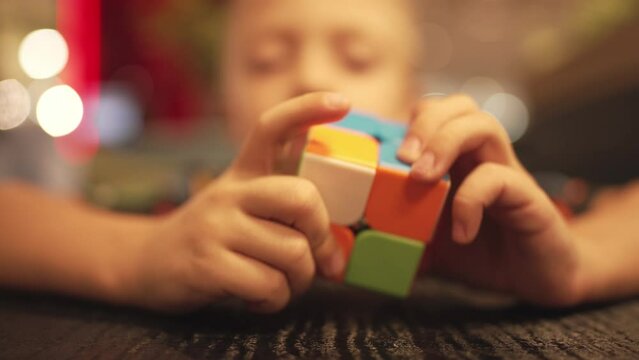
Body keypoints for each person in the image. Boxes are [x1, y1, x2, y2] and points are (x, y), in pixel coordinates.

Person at [1, 0, 639, 313]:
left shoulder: (471, 210)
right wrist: (136, 255)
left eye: (356, 58)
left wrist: (582, 259)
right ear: (223, 105)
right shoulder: (189, 205)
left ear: (411, 99)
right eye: (265, 60)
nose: (306, 74)